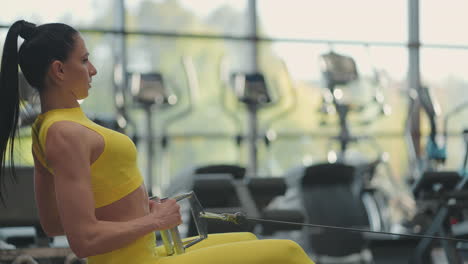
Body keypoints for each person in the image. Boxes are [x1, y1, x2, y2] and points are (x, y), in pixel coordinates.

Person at [0, 20, 315, 264]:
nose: (93, 69)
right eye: (84, 60)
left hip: (143, 253)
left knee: (247, 238)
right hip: (138, 260)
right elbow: (83, 239)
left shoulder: (50, 127)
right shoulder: (64, 133)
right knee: (288, 252)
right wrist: (154, 220)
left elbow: (55, 224)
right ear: (58, 70)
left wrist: (136, 210)